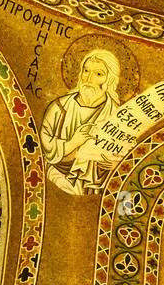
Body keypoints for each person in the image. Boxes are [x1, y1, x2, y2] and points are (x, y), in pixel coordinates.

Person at [39, 50, 122, 196]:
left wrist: (116, 165)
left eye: (98, 74)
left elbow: (128, 151)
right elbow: (43, 143)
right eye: (86, 71)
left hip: (98, 185)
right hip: (57, 174)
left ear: (110, 80)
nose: (89, 79)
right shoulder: (59, 107)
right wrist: (72, 143)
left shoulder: (117, 115)